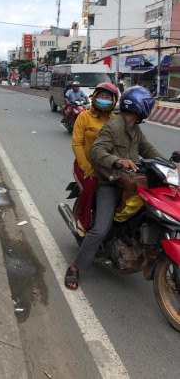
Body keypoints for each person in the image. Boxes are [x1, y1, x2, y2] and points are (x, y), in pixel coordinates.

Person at [64, 85, 162, 290]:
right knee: (100, 230)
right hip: (109, 181)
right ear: (140, 106)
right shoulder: (114, 126)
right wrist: (117, 161)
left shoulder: (134, 128)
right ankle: (76, 267)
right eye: (148, 106)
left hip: (130, 180)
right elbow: (97, 151)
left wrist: (169, 165)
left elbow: (148, 149)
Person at [71, 82, 119, 236]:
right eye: (101, 96)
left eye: (107, 97)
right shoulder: (84, 117)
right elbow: (76, 143)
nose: (104, 99)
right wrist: (86, 167)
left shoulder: (116, 120)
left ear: (114, 100)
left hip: (108, 166)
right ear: (95, 97)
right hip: (86, 164)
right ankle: (83, 221)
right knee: (92, 183)